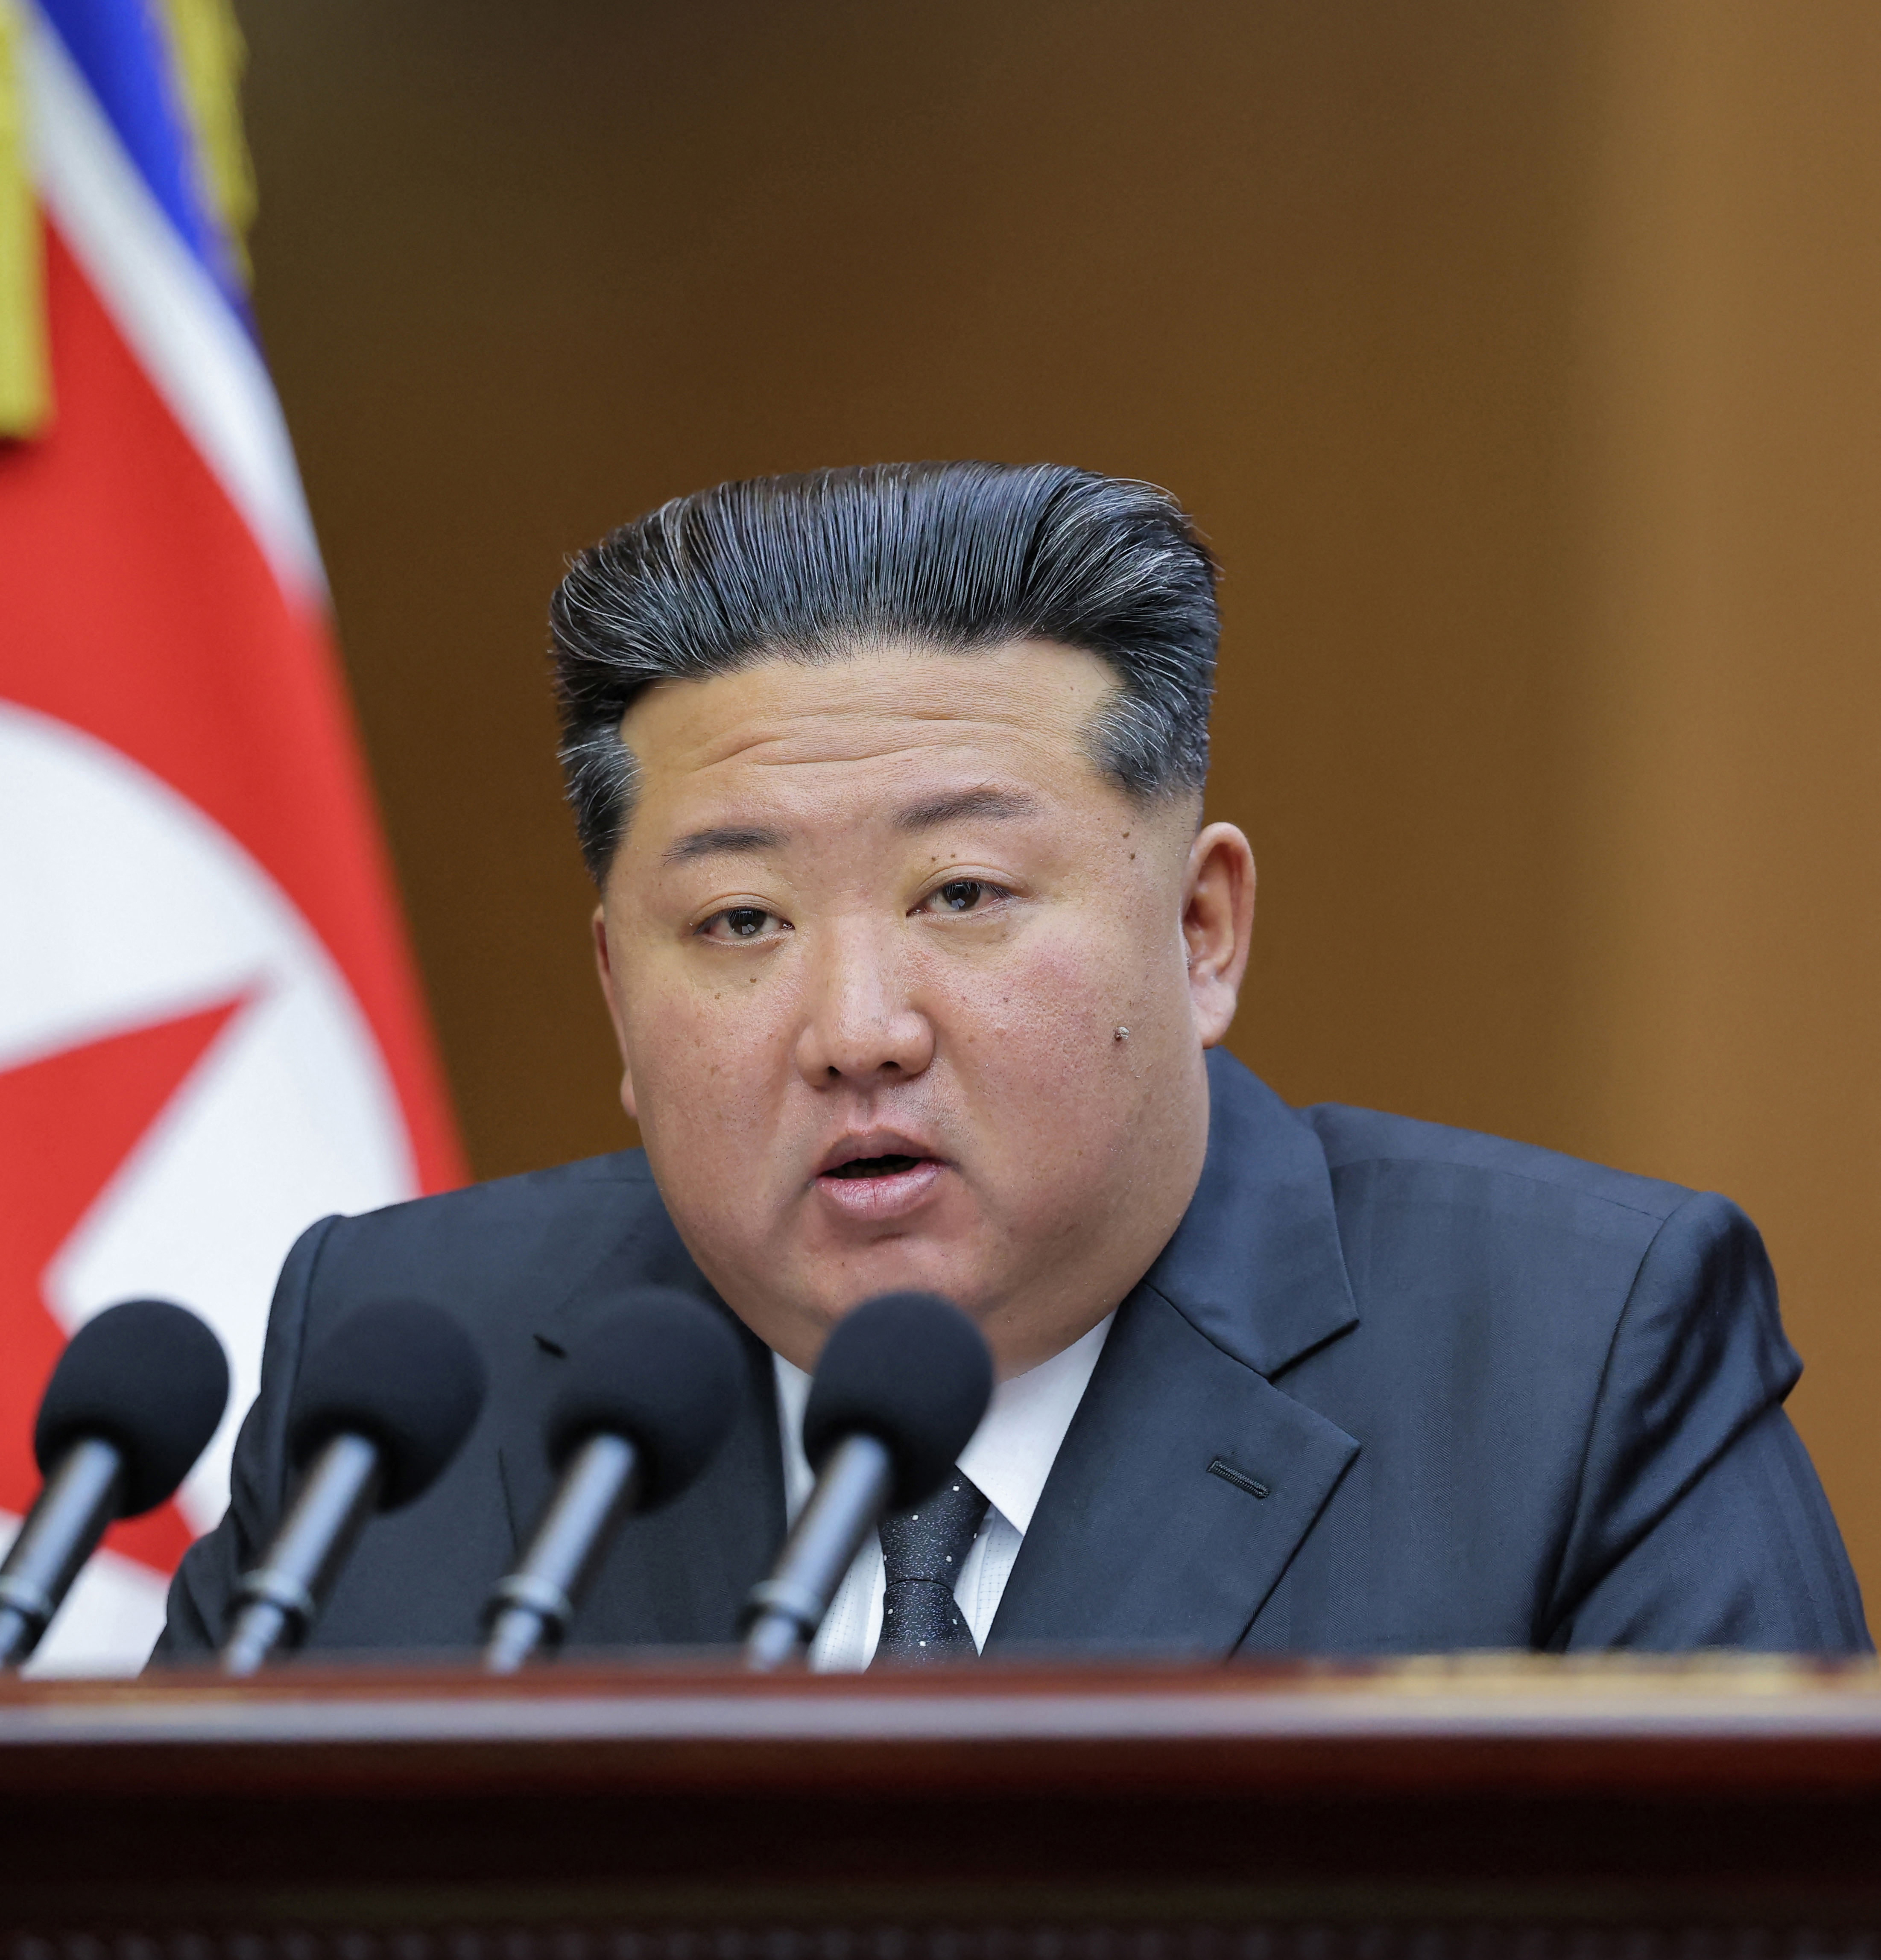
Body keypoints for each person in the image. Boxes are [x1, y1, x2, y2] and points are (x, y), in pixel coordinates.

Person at [156, 463, 1871, 1662]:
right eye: (741, 922)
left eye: (962, 893)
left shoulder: (1575, 1360)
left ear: (1201, 933)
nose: (856, 1030)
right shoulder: (395, 1392)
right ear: (618, 993)